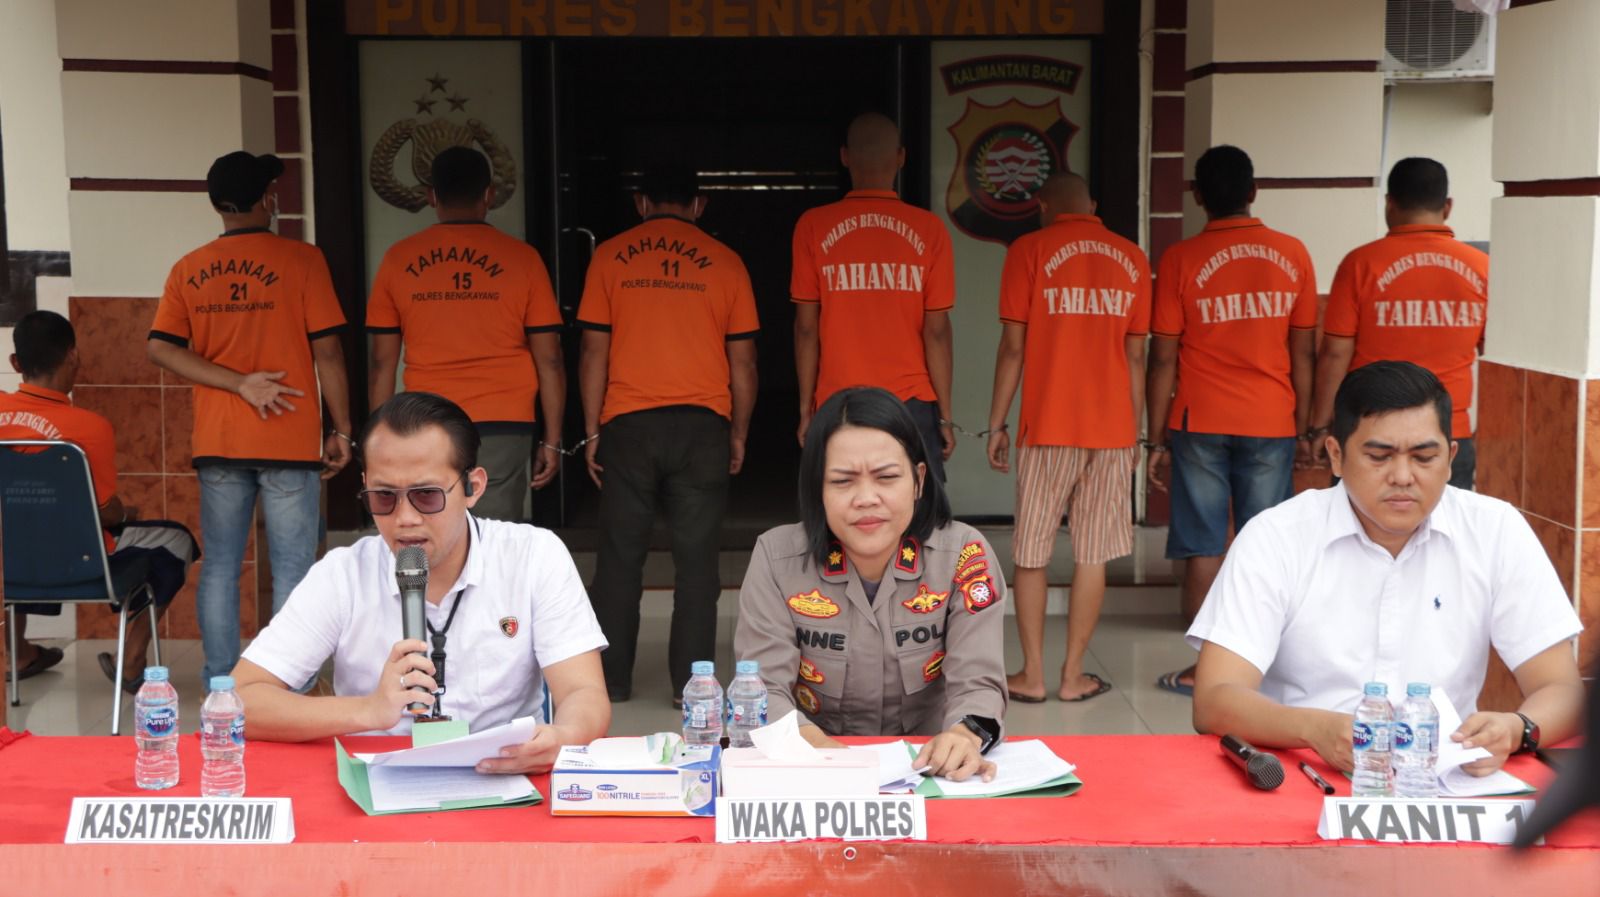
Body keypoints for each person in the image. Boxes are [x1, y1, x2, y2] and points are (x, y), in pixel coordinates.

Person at [1190, 362, 1584, 776]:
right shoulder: (1277, 537)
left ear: (1451, 458)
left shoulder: (1494, 530)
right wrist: (1314, 728)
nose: (1402, 476)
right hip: (1304, 773)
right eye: (1379, 456)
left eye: (1424, 457)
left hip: (1442, 784)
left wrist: (1516, 728)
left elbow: (1562, 689)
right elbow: (1215, 698)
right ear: (1336, 456)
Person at [232, 392, 611, 774]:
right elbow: (239, 701)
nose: (405, 518)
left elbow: (584, 693)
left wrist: (563, 737)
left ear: (473, 487)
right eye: (383, 497)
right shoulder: (343, 574)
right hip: (378, 780)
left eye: (426, 496)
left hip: (504, 774)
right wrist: (368, 710)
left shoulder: (532, 556)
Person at [147, 151, 352, 686]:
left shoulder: (188, 269)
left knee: (219, 567)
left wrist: (235, 384)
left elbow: (162, 348)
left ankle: (223, 683)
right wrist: (343, 428)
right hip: (288, 436)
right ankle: (289, 685)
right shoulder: (303, 260)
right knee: (293, 571)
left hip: (219, 441)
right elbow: (328, 353)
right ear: (267, 200)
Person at [735, 387, 1006, 782]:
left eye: (886, 477)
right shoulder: (776, 559)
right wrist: (829, 755)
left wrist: (964, 735)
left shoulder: (964, 554)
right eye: (843, 481)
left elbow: (978, 679)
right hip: (816, 773)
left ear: (918, 480)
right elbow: (761, 690)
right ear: (817, 489)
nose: (866, 498)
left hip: (933, 774)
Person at [576, 165, 759, 703]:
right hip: (704, 426)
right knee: (698, 561)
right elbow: (743, 361)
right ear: (699, 205)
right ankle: (690, 685)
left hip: (629, 425)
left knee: (619, 557)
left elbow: (593, 350)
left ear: (641, 203)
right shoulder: (726, 263)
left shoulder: (609, 256)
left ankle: (610, 680)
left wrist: (591, 430)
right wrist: (740, 431)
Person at [1145, 145, 1317, 698]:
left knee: (1203, 542)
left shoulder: (1180, 259)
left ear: (1197, 196)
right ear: (1253, 191)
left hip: (1200, 417)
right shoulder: (1293, 253)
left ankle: (1207, 673)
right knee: (1267, 543)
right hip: (1272, 417)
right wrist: (1309, 425)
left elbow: (1164, 355)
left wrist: (1155, 434)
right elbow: (1304, 352)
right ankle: (1265, 667)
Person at [985, 173, 1150, 703]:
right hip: (1112, 431)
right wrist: (1135, 434)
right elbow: (1136, 355)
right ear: (1093, 205)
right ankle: (1072, 675)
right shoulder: (1130, 257)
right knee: (1093, 554)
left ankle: (1031, 675)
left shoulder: (1029, 250)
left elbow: (1014, 347)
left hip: (1048, 427)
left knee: (1031, 552)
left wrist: (997, 422)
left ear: (1042, 206)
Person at [0, 312, 197, 690]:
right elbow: (105, 512)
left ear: (15, 363)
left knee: (19, 522)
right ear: (73, 357)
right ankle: (132, 659)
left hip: (8, 566)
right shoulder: (89, 428)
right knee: (178, 539)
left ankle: (18, 653)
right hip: (79, 566)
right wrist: (125, 512)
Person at [368, 146, 566, 522]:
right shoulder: (523, 259)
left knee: (430, 524)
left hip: (426, 417)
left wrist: (379, 434)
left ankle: (436, 585)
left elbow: (381, 363)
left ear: (431, 195)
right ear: (489, 194)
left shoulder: (399, 259)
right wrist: (553, 439)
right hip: (505, 418)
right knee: (494, 534)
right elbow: (551, 359)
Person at [791, 112, 957, 480]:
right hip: (910, 401)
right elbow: (937, 332)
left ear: (845, 156)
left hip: (837, 399)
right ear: (900, 157)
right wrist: (944, 416)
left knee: (843, 511)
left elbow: (806, 329)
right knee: (915, 513)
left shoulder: (812, 226)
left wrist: (806, 409)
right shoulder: (929, 229)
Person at [1310, 157, 1487, 489]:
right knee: (1446, 537)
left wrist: (1320, 426)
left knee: (1355, 536)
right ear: (1447, 207)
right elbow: (1496, 361)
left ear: (1389, 204)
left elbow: (1335, 353)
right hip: (1446, 434)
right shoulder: (1481, 268)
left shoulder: (1360, 264)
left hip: (1370, 434)